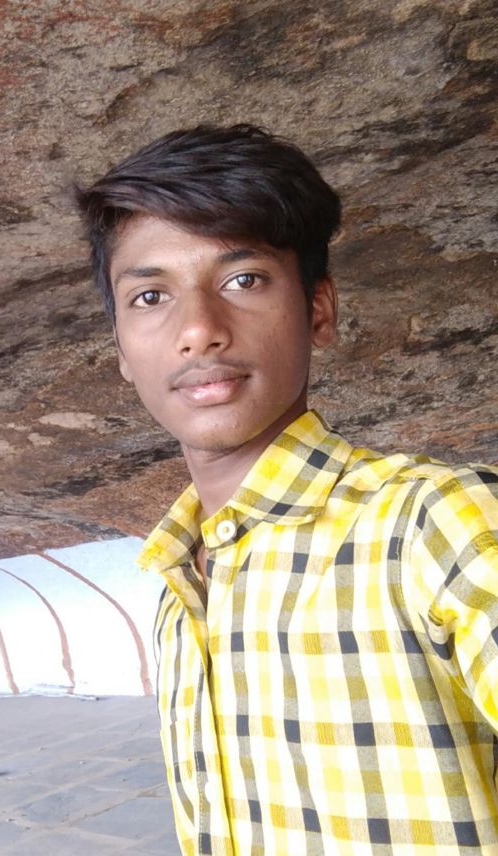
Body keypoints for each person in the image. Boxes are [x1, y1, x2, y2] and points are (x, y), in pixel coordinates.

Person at [75, 124, 498, 855]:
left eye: (243, 280)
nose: (198, 330)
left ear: (318, 309)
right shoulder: (179, 586)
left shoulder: (434, 524)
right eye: (150, 295)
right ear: (121, 349)